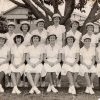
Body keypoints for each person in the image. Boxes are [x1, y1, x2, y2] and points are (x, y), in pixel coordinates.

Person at [5, 22, 16, 87]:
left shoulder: (15, 35)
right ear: (8, 28)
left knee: (13, 67)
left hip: (13, 53)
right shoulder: (5, 35)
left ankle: (13, 82)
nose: (11, 28)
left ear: (14, 28)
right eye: (9, 27)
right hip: (6, 53)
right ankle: (8, 82)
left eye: (12, 27)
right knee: (7, 67)